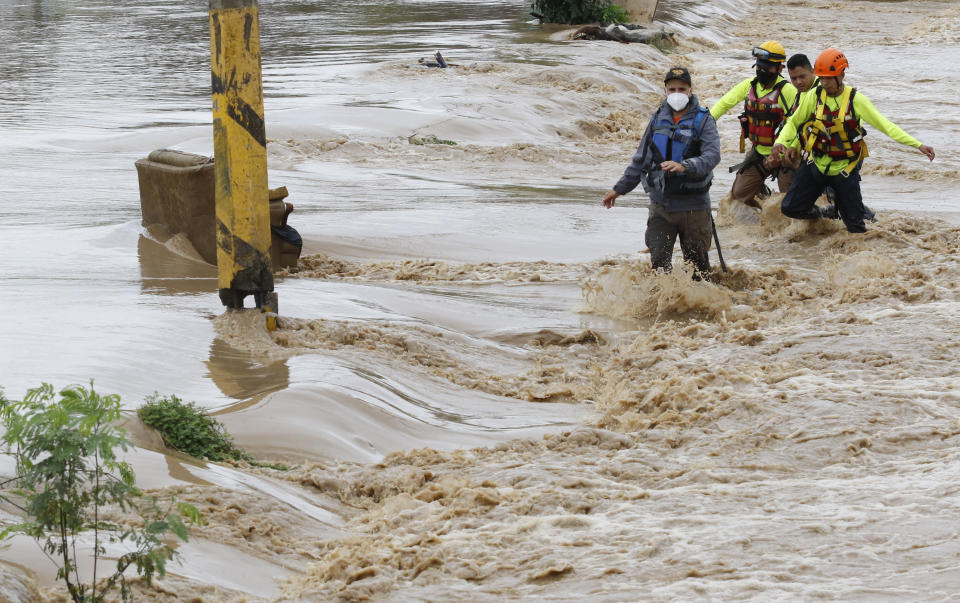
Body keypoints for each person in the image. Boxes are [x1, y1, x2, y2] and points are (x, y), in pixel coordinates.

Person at [771, 48, 935, 233]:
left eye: (828, 78)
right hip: (816, 165)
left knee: (856, 228)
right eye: (821, 77)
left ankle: (851, 218)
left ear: (841, 75)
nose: (824, 83)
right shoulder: (813, 96)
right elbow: (794, 122)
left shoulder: (856, 100)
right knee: (790, 207)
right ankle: (827, 215)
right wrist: (781, 143)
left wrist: (918, 145)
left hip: (844, 171)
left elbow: (886, 126)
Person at [602, 66, 721, 279]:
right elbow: (640, 161)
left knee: (699, 271)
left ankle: (701, 307)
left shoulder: (703, 120)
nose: (677, 94)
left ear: (690, 90)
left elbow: (712, 156)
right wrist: (618, 190)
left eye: (682, 89)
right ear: (665, 90)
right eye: (672, 89)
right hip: (661, 207)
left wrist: (685, 165)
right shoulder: (657, 119)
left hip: (694, 208)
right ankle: (663, 308)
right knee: (659, 266)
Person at [711, 41, 798, 208]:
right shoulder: (750, 85)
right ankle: (763, 202)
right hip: (758, 152)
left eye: (768, 67)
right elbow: (724, 104)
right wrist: (706, 121)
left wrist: (785, 151)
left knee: (790, 202)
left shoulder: (788, 91)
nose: (762, 70)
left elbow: (798, 124)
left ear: (780, 69)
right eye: (759, 66)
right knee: (738, 198)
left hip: (785, 153)